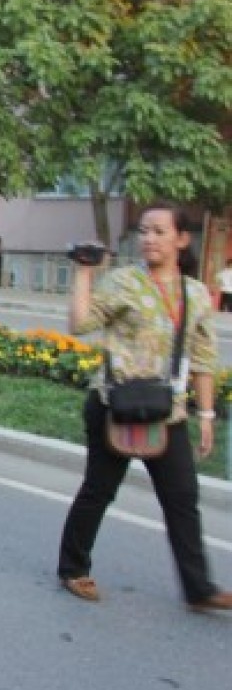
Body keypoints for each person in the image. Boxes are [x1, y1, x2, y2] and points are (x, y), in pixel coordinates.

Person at [58, 202, 231, 612]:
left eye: (159, 231)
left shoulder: (195, 294)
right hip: (114, 404)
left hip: (166, 411)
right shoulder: (123, 282)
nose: (149, 238)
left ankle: (199, 589)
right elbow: (80, 325)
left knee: (182, 497)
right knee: (100, 489)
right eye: (144, 231)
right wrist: (84, 273)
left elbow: (204, 357)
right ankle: (73, 568)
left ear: (182, 239)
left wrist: (206, 415)